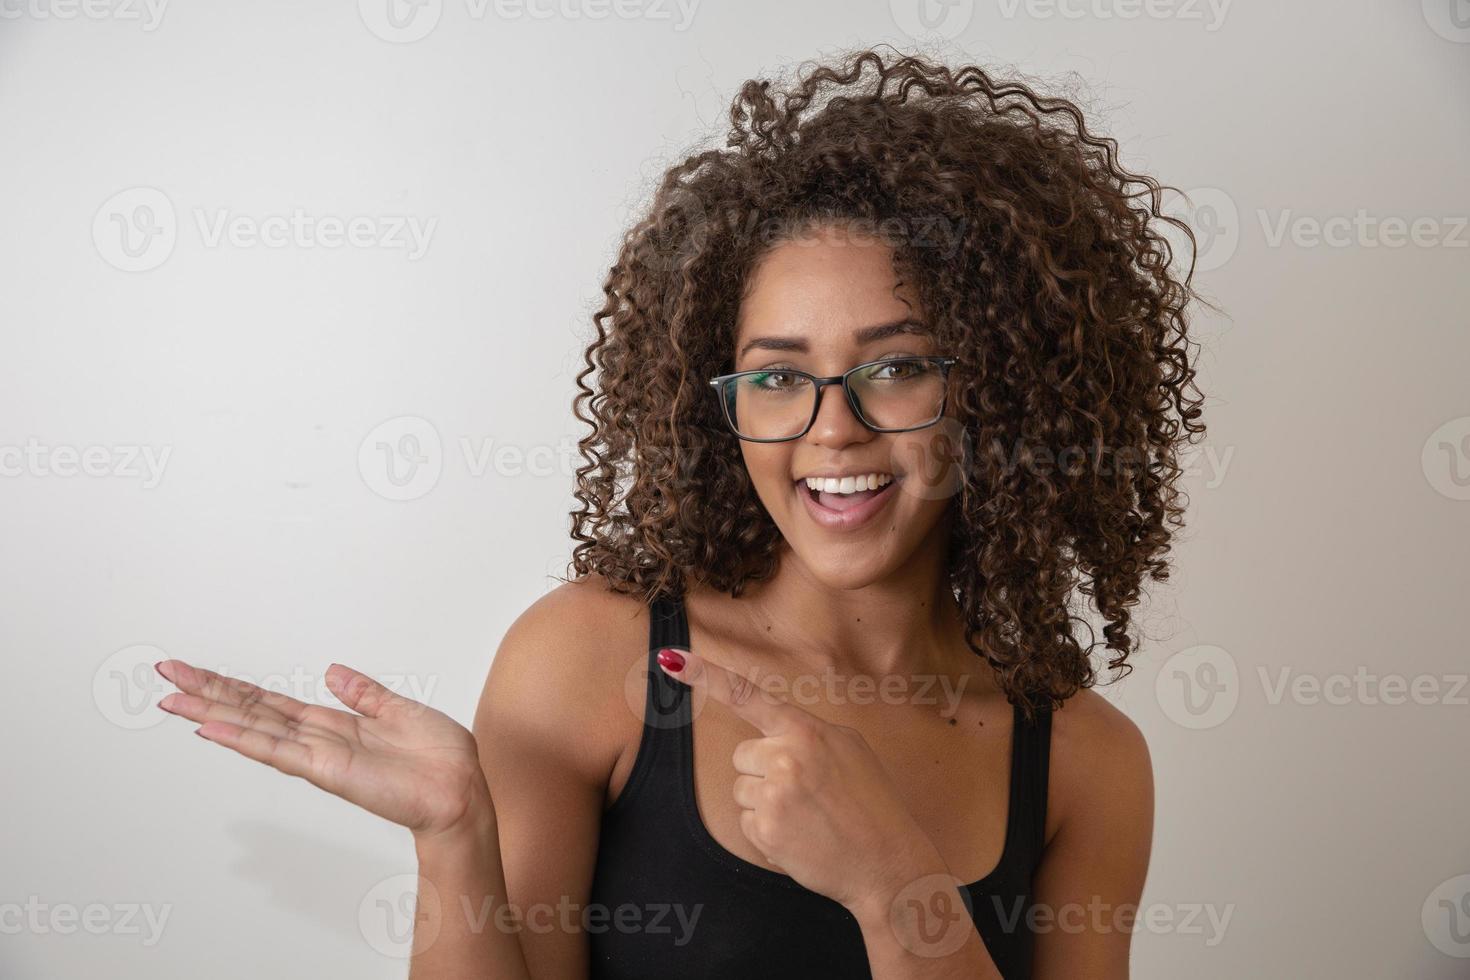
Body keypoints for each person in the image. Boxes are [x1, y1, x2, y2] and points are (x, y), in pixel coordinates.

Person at [153, 45, 1207, 979]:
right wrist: (454, 834)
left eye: (894, 367)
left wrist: (897, 886)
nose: (831, 431)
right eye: (777, 378)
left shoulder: (1085, 760)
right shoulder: (590, 661)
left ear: (1002, 384)